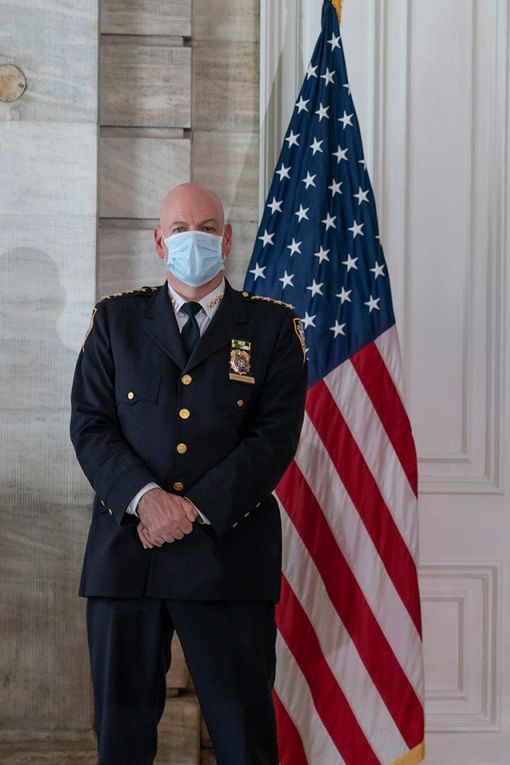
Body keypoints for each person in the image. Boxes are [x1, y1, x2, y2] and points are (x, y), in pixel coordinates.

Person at [70, 182, 308, 764]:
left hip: (227, 556)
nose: (193, 238)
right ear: (158, 242)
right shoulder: (115, 322)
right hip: (127, 557)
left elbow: (272, 438)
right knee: (120, 740)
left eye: (206, 227)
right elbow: (90, 425)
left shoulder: (273, 328)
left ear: (227, 239)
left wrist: (192, 508)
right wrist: (146, 499)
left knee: (243, 738)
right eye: (180, 229)